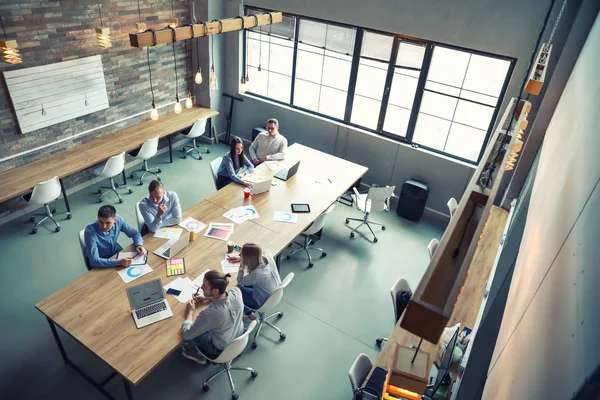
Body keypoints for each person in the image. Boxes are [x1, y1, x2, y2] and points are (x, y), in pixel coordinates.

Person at [181, 271, 244, 364]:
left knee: (193, 332)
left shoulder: (209, 314)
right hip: (239, 333)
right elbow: (224, 297)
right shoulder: (236, 292)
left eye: (204, 286)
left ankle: (198, 354)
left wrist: (190, 312)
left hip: (221, 347)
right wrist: (208, 298)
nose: (201, 287)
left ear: (215, 291)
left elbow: (187, 335)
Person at [234, 243, 282, 320]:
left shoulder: (256, 274)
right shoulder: (267, 255)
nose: (239, 254)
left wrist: (241, 265)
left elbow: (239, 282)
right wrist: (244, 258)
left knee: (237, 291)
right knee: (246, 285)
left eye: (241, 254)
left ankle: (249, 313)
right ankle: (249, 313)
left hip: (262, 301)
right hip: (275, 293)